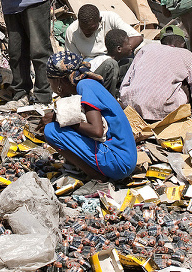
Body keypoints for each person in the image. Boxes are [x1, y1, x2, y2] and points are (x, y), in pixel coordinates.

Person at [40, 52, 137, 181]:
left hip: (119, 162)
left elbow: (96, 131)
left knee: (51, 131)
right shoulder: (88, 84)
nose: (51, 87)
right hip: (124, 160)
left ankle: (97, 179)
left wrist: (59, 118)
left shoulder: (84, 86)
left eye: (50, 81)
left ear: (58, 81)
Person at [118, 32, 192, 122]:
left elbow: (127, 80)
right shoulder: (187, 56)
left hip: (132, 104)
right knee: (185, 85)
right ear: (183, 44)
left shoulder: (146, 48)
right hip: (163, 111)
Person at [64, 4, 143, 96]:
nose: (86, 32)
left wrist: (116, 54)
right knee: (110, 65)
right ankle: (108, 99)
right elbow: (73, 65)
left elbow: (137, 37)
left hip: (116, 57)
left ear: (100, 20)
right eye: (83, 28)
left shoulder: (110, 18)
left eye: (91, 29)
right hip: (92, 66)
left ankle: (124, 95)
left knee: (130, 62)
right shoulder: (72, 31)